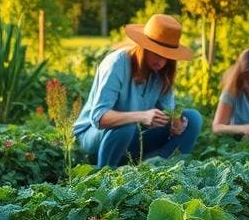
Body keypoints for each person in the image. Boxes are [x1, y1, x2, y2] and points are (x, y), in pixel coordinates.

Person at [73, 14, 202, 167]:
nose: (161, 61)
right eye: (157, 53)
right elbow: (99, 118)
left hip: (133, 136)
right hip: (93, 137)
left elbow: (169, 112)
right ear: (144, 47)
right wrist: (141, 116)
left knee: (193, 119)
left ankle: (159, 173)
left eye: (167, 56)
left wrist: (176, 122)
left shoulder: (163, 72)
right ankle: (104, 178)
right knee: (126, 127)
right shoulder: (117, 64)